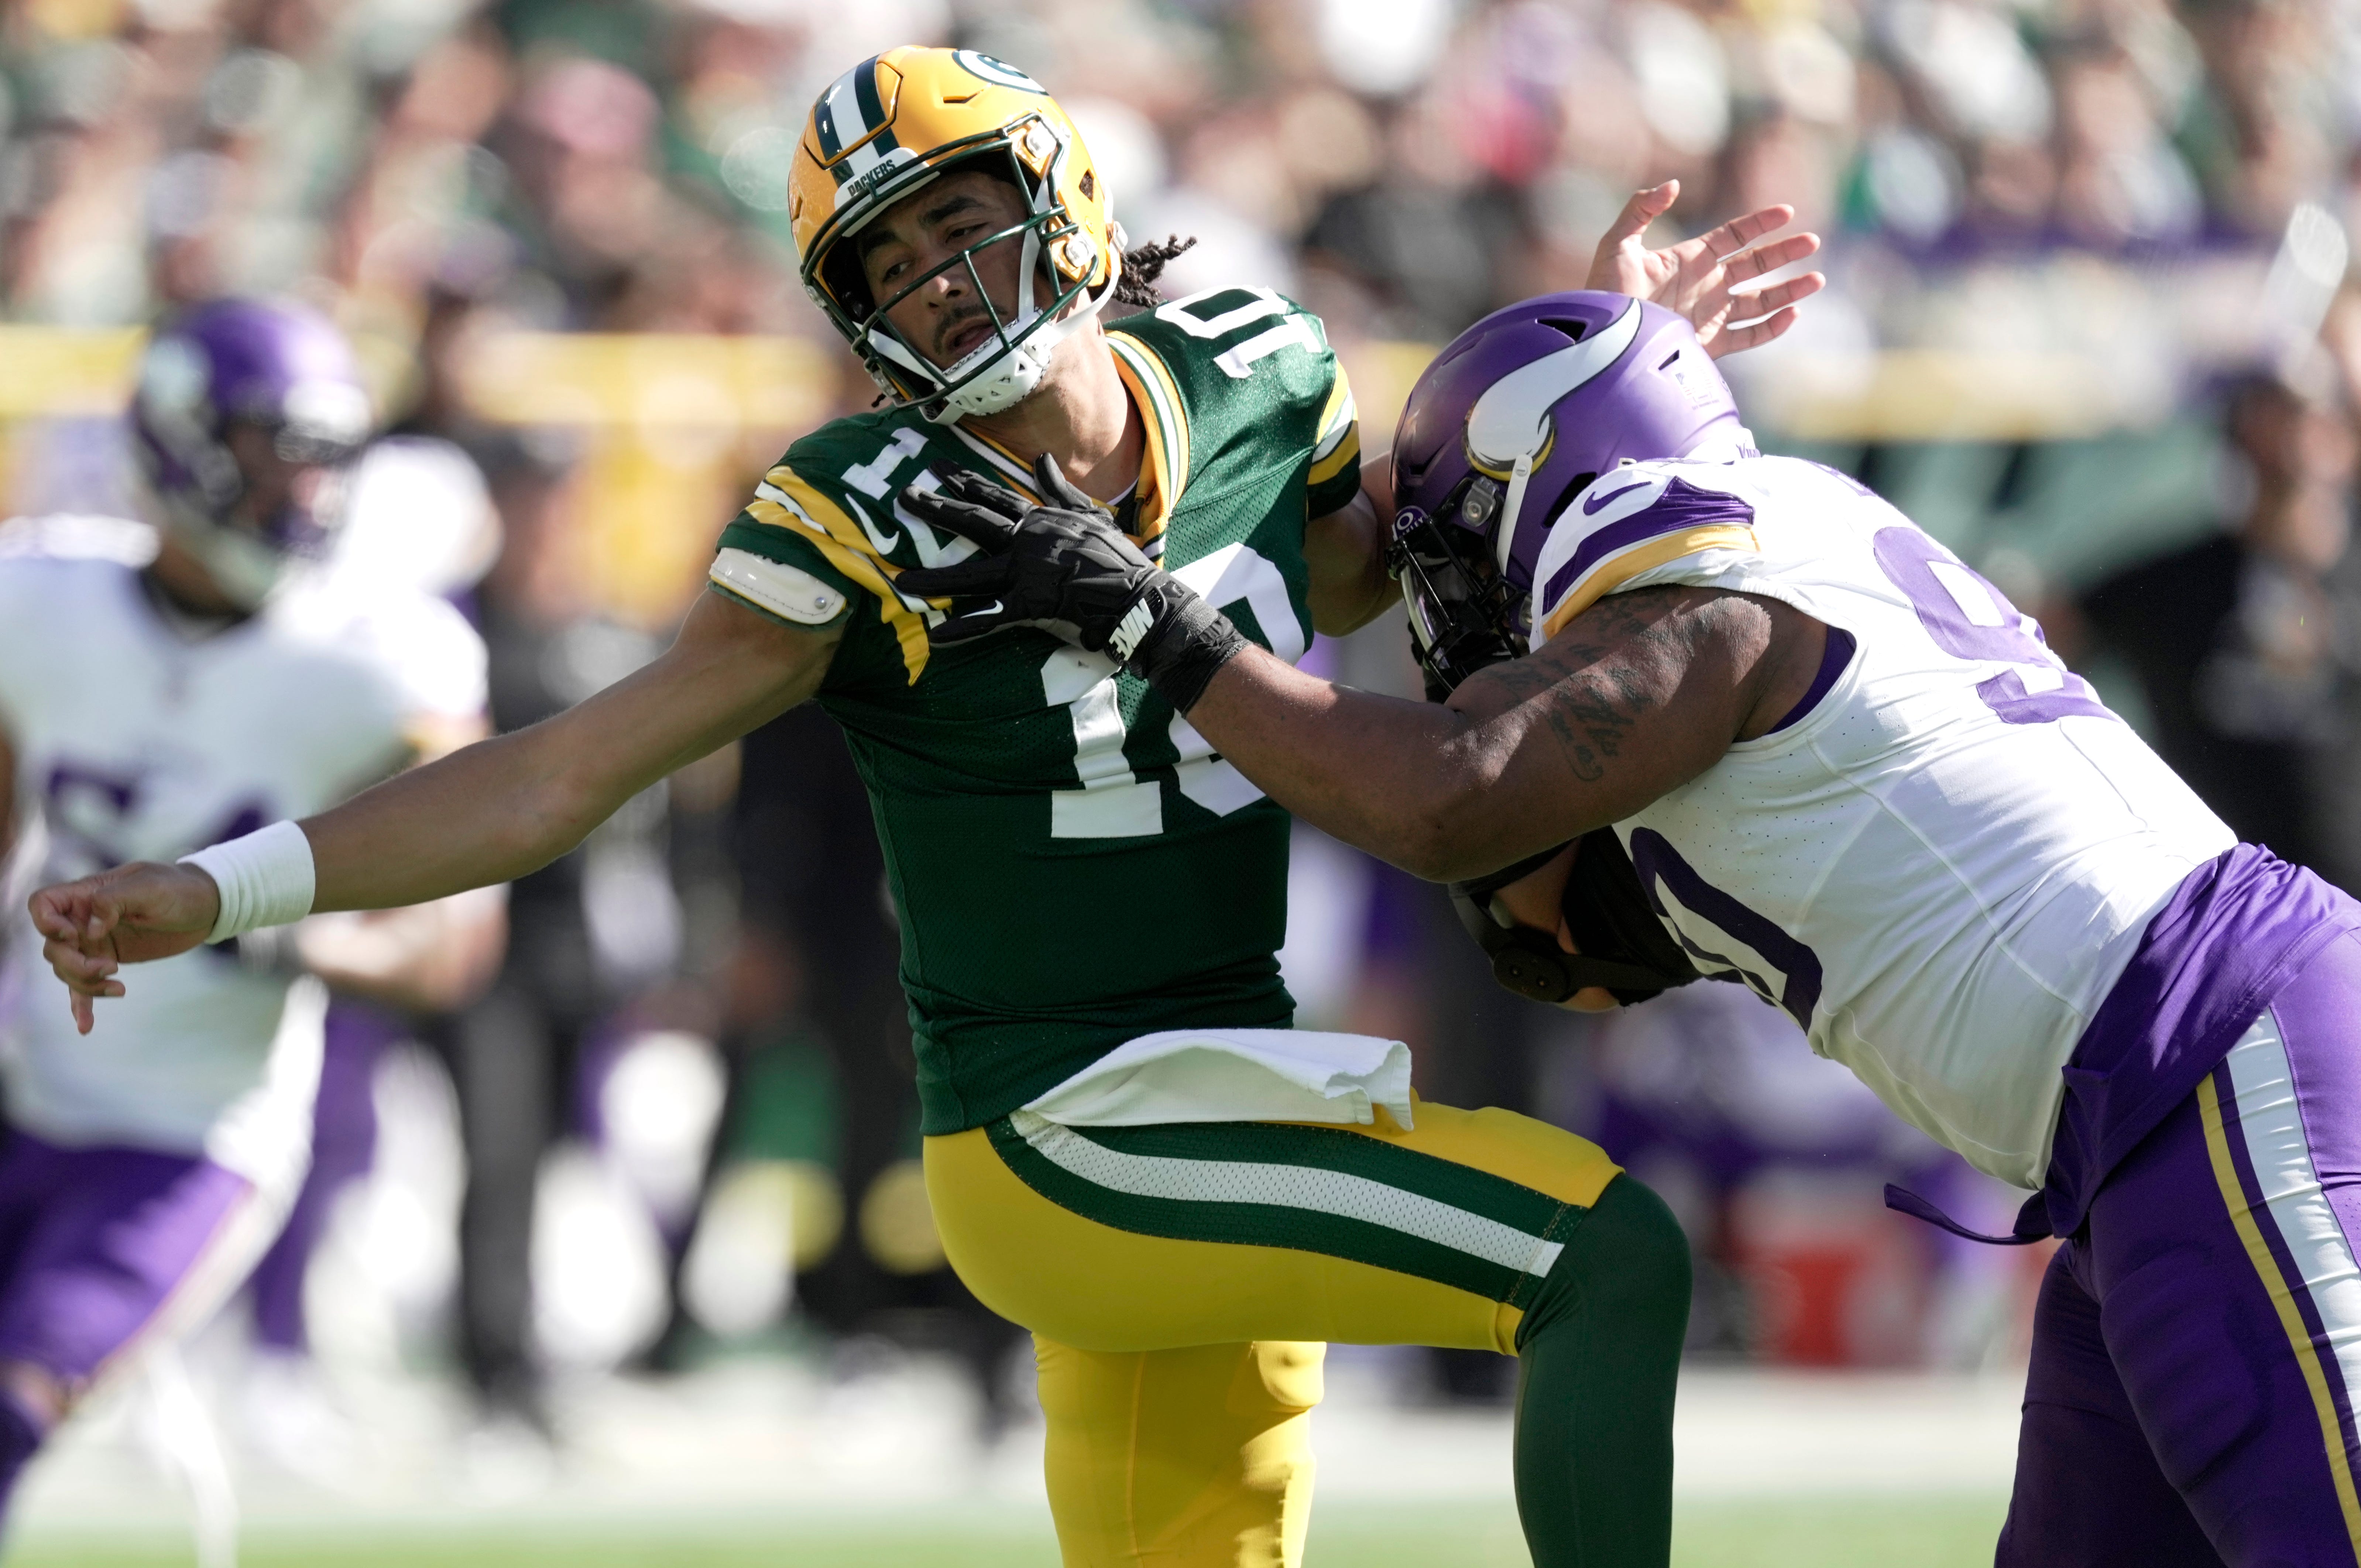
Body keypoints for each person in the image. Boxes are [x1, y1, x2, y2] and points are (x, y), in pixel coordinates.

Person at [23, 48, 1819, 1567]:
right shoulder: (861, 508)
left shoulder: (1256, 370)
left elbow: (1368, 573)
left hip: (1229, 1078)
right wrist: (224, 887)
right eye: (889, 261)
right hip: (1065, 1129)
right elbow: (564, 769)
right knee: (1603, 1258)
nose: (942, 279)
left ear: (1064, 198)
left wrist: (1598, 363)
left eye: (961, 219)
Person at [878, 288, 2361, 1567]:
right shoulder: (1778, 534)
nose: (1460, 601)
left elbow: (1450, 799)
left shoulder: (1713, 611)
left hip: (2214, 1062)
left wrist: (1160, 627)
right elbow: (1552, 944)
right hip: (2149, 1115)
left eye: (1469, 546)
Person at [0, 298, 505, 1512]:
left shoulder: (387, 655)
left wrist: (261, 920)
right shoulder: (38, 599)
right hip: (22, 1089)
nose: (303, 489)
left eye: (323, 456)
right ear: (178, 441)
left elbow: (451, 949)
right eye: (271, 452)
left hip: (192, 1138)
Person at [2077, 366, 2361, 891]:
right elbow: (2046, 629)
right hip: (2218, 903)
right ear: (2243, 432)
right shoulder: (2170, 585)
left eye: (2319, 419)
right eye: (2281, 416)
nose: (2300, 442)